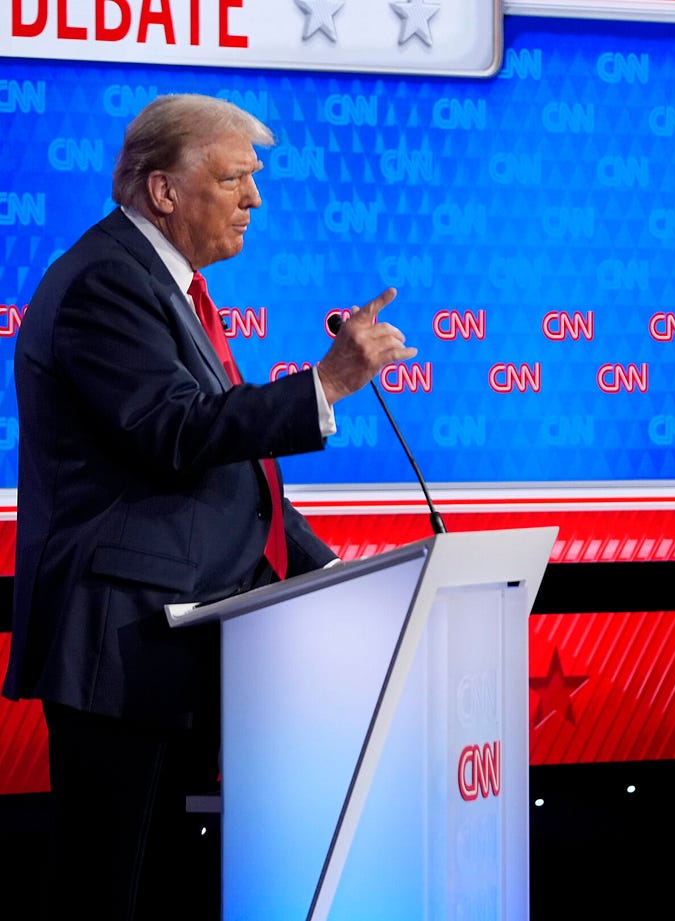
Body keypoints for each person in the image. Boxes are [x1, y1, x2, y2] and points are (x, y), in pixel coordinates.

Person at [2, 93, 417, 919]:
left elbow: (231, 476)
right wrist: (325, 384)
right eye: (233, 179)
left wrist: (334, 573)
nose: (253, 199)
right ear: (162, 190)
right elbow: (175, 433)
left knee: (159, 892)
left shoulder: (165, 286)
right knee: (103, 893)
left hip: (174, 644)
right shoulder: (105, 283)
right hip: (116, 648)